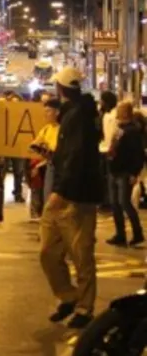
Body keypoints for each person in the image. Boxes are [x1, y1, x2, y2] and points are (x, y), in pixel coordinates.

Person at [40, 66, 102, 329]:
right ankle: (68, 295)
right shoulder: (73, 114)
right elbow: (71, 155)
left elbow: (77, 158)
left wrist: (61, 190)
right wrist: (52, 156)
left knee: (81, 254)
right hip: (66, 190)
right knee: (48, 252)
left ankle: (84, 308)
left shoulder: (79, 116)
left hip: (77, 196)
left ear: (61, 88)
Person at [105, 101, 145, 247]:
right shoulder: (120, 129)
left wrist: (134, 173)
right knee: (115, 204)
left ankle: (137, 233)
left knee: (125, 203)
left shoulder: (132, 131)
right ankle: (120, 234)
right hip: (115, 170)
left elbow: (138, 155)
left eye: (119, 110)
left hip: (125, 172)